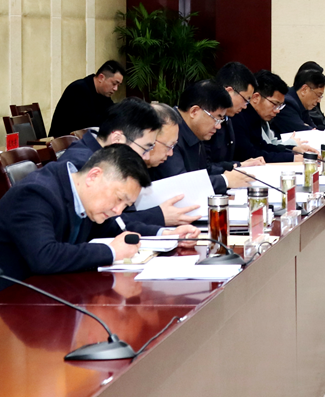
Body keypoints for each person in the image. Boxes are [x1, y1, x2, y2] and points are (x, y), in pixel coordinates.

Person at [0, 145, 149, 282]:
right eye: (119, 199)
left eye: (126, 205)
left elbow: (113, 228)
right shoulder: (35, 193)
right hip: (12, 293)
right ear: (94, 176)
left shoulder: (86, 198)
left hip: (52, 286)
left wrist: (160, 233)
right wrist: (111, 252)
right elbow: (44, 257)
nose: (118, 211)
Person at [57, 99, 200, 234]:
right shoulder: (82, 167)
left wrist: (165, 233)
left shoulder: (104, 157)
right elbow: (102, 226)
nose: (146, 157)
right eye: (145, 149)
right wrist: (158, 216)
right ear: (117, 139)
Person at [150, 80, 255, 193]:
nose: (218, 126)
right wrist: (225, 180)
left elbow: (204, 170)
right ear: (194, 111)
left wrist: (236, 167)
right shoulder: (168, 130)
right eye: (216, 118)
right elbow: (180, 183)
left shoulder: (195, 131)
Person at [232, 71, 318, 163]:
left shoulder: (255, 116)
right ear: (256, 97)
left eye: (280, 106)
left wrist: (293, 149)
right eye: (275, 104)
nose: (277, 110)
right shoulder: (238, 116)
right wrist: (292, 158)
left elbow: (263, 146)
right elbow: (249, 154)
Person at [204, 62, 265, 170]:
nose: (245, 106)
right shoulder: (206, 118)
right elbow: (204, 167)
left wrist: (239, 164)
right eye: (245, 100)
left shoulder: (229, 117)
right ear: (229, 92)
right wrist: (237, 166)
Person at [49, 60, 125, 138]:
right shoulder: (78, 89)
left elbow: (112, 115)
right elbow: (84, 125)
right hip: (64, 142)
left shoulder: (104, 95)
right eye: (114, 83)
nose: (115, 89)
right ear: (101, 77)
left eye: (118, 85)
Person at [271, 69, 325, 133]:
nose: (319, 100)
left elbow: (313, 128)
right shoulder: (287, 103)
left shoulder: (301, 104)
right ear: (304, 90)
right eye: (318, 95)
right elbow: (303, 132)